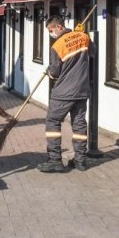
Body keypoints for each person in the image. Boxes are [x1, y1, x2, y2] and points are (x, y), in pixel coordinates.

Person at [38, 14, 94, 173]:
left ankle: (55, 160)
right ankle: (80, 161)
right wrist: (85, 36)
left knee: (53, 122)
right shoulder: (83, 37)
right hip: (82, 91)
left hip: (63, 93)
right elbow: (93, 51)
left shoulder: (57, 46)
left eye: (51, 30)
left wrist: (49, 71)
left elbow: (55, 72)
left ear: (59, 27)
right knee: (79, 125)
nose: (51, 34)